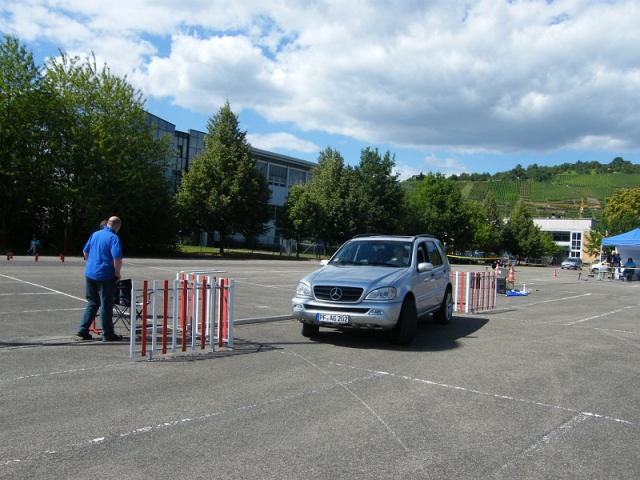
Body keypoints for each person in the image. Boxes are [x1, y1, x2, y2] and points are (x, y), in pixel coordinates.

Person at [76, 216, 124, 341]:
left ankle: (82, 329)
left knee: (92, 302)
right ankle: (108, 333)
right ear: (117, 226)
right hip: (105, 275)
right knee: (106, 304)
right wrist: (117, 273)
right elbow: (117, 258)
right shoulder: (113, 238)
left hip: (90, 273)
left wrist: (91, 263)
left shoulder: (95, 234)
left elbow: (85, 252)